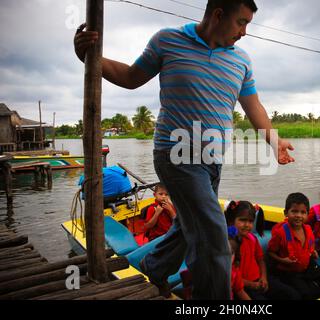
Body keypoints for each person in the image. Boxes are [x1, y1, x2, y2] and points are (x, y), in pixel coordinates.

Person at [74, 0, 294, 299]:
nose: (244, 32)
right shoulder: (168, 41)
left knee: (185, 227)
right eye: (241, 22)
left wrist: (274, 141)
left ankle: (152, 269)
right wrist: (89, 56)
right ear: (218, 14)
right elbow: (130, 77)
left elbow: (253, 106)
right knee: (213, 236)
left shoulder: (241, 60)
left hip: (212, 161)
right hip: (175, 155)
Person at [267, 192, 320, 299]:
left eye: (303, 212)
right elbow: (270, 252)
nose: (298, 216)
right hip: (290, 272)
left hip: (308, 266)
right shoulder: (280, 233)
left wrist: (313, 252)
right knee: (307, 293)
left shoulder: (308, 229)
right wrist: (283, 260)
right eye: (294, 211)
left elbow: (310, 245)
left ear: (307, 214)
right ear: (286, 213)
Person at [224, 200, 299, 299]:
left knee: (292, 294)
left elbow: (260, 260)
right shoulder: (229, 245)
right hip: (243, 287)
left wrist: (264, 278)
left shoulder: (252, 238)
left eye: (250, 221)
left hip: (259, 280)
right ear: (231, 220)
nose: (247, 225)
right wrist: (252, 285)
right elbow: (231, 276)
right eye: (242, 220)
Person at [228, 227, 251, 300]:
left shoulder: (234, 271)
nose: (226, 258)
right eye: (222, 254)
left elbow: (240, 291)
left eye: (231, 253)